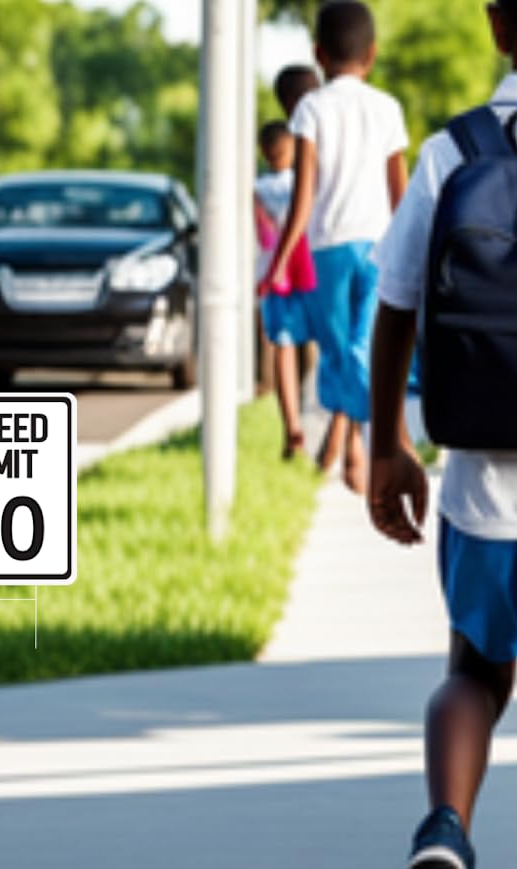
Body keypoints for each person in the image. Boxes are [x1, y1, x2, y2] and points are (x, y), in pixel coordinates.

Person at [369, 3, 517, 866]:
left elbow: (395, 306)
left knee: (473, 674)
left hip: (487, 490)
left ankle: (445, 829)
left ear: (500, 27)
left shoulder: (452, 152)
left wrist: (388, 443)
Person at [264, 0, 409, 494]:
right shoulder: (388, 108)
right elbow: (401, 196)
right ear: (371, 55)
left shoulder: (310, 108)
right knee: (361, 349)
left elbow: (302, 196)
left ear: (318, 54)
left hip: (327, 250)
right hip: (380, 248)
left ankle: (365, 442)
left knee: (338, 354)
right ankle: (358, 445)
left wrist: (280, 261)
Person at [254, 121, 317, 459]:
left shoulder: (257, 188)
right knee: (310, 344)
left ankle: (293, 420)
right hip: (305, 264)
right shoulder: (307, 181)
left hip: (275, 270)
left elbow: (261, 234)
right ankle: (301, 414)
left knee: (283, 345)